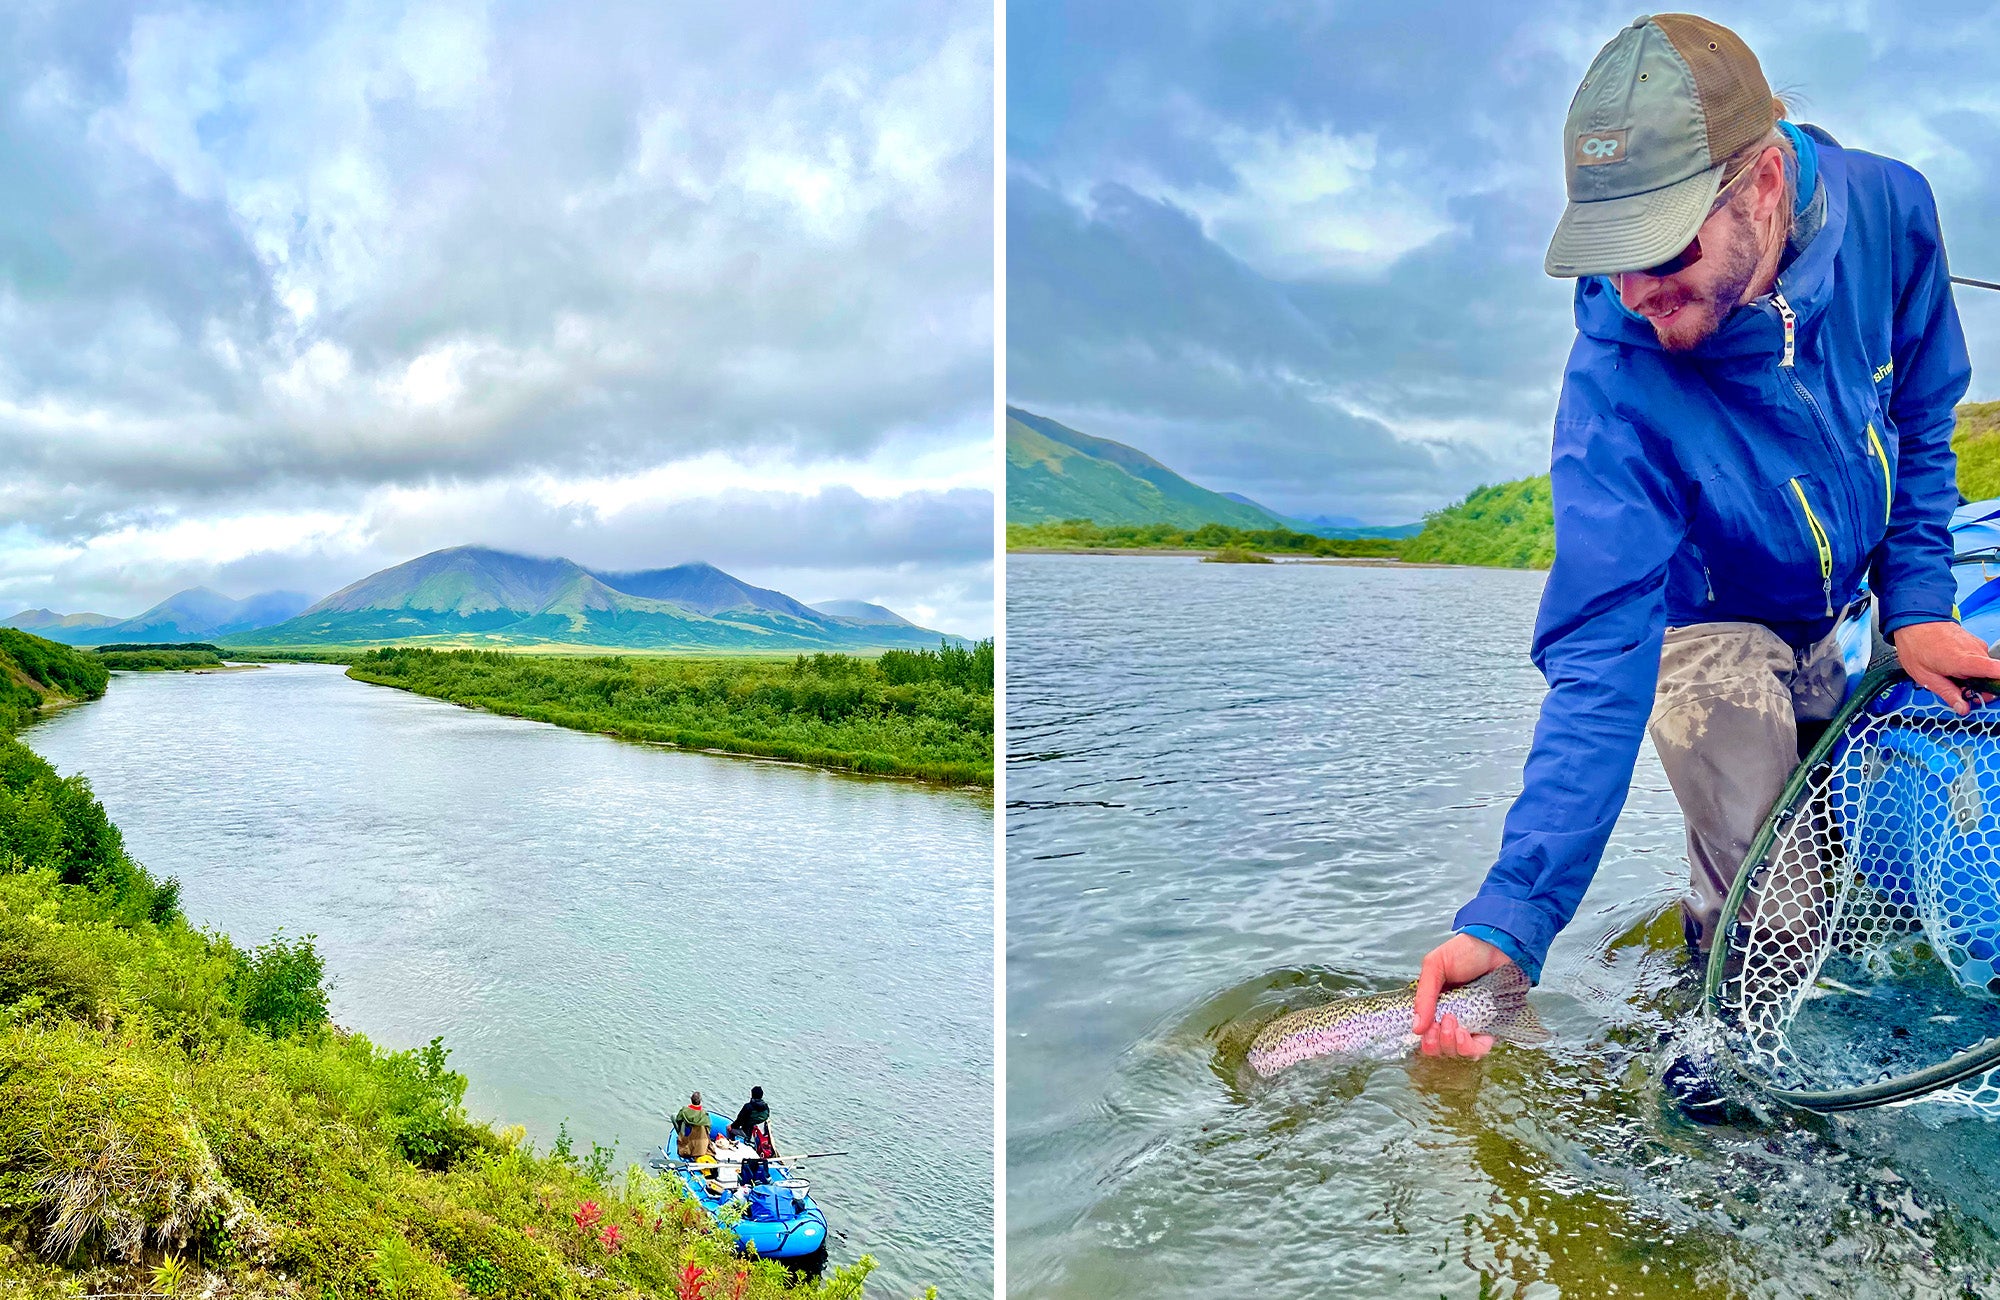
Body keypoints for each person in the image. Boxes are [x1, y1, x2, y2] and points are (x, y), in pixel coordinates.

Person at [1409, 14, 1999, 1074]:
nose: (1634, 294)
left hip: (1848, 600)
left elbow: (1921, 414)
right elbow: (1600, 654)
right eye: (1609, 258)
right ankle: (1730, 1077)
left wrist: (1915, 605)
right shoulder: (1615, 386)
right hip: (1709, 620)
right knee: (1773, 901)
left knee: (1858, 862)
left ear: (1763, 184)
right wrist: (1512, 917)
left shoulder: (1892, 210)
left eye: (1662, 249)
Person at [674, 1090, 711, 1161]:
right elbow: (708, 1128)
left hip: (688, 1140)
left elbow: (678, 1119)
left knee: (675, 1117)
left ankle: (680, 1135)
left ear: (691, 1099)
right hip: (701, 1147)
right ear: (700, 1101)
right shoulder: (704, 1114)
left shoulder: (684, 1110)